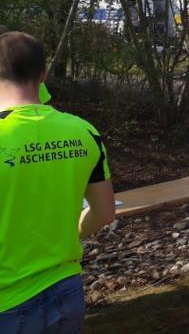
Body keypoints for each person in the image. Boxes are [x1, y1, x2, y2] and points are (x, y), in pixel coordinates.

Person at [0, 31, 115, 333]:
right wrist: (70, 233)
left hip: (7, 299)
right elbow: (105, 213)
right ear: (44, 74)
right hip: (66, 289)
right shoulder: (84, 131)